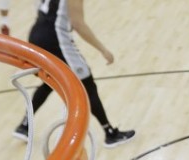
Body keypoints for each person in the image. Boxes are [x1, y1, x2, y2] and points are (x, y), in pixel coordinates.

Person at [10, 0, 135, 148]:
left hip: (36, 35)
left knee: (50, 82)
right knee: (87, 84)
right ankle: (110, 133)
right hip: (55, 38)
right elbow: (78, 24)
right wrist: (103, 49)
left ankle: (24, 125)